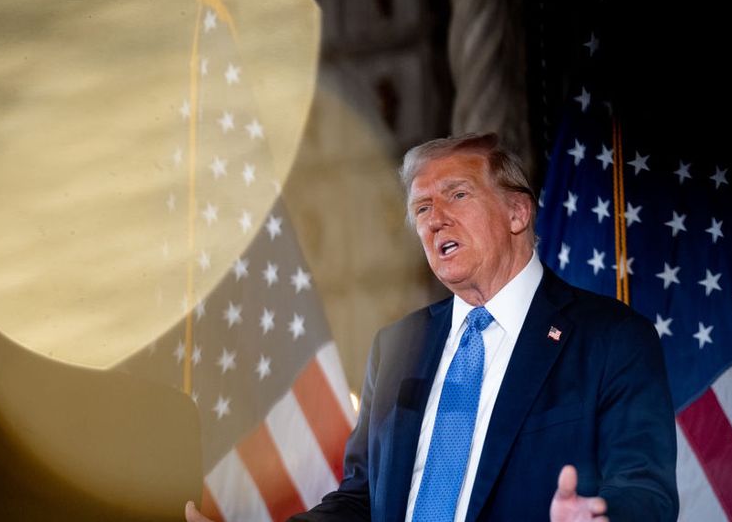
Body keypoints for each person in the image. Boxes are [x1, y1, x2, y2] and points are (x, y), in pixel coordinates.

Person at [187, 133, 677, 522]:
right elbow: (362, 501)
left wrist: (600, 517)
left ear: (517, 212)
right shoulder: (397, 345)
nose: (435, 220)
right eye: (421, 209)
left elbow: (644, 489)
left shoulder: (611, 338)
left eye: (456, 195)